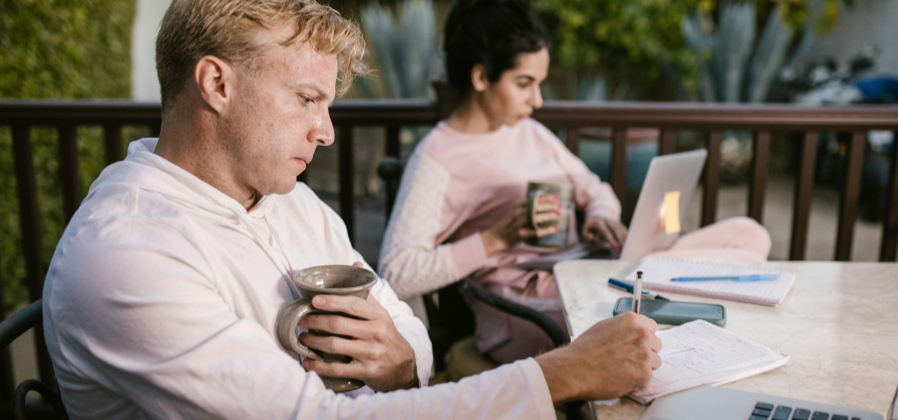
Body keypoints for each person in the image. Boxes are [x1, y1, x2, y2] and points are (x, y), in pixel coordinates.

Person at [42, 0, 662, 418]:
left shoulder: (293, 204)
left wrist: (399, 361)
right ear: (217, 84)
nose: (327, 132)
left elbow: (406, 326)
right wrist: (562, 375)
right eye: (308, 98)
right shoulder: (125, 255)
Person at [378, 0, 772, 364]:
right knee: (736, 279)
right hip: (531, 307)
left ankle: (667, 284)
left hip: (594, 270)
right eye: (524, 83)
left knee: (748, 237)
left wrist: (600, 214)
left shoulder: (527, 131)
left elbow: (594, 187)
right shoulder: (437, 158)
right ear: (481, 76)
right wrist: (496, 239)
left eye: (539, 83)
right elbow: (397, 271)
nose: (537, 100)